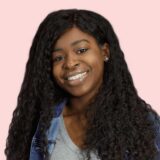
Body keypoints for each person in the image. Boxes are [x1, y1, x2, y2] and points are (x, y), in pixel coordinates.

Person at [5, 9, 160, 160]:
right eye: (58, 58)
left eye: (81, 50)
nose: (70, 63)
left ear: (105, 52)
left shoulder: (141, 123)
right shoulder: (40, 125)